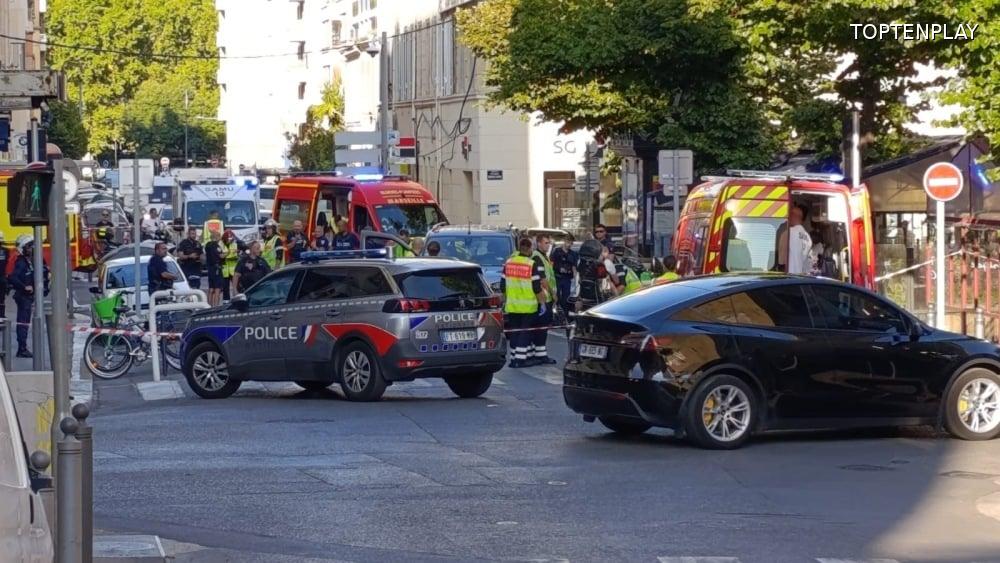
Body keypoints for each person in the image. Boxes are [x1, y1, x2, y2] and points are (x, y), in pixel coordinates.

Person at [502, 238, 543, 368]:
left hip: (512, 305)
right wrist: (542, 303)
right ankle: (520, 360)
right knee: (525, 332)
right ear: (530, 248)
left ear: (519, 248)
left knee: (515, 331)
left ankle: (514, 357)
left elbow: (503, 286)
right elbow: (537, 287)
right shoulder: (531, 264)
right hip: (528, 306)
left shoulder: (509, 263)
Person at [10, 236, 47, 358]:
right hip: (23, 297)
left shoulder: (30, 261)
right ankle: (22, 349)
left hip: (28, 297)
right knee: (23, 323)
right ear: (23, 248)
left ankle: (23, 348)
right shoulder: (21, 262)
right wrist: (24, 287)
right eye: (29, 247)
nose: (32, 249)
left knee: (25, 323)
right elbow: (13, 277)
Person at [529, 235, 558, 365]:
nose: (548, 245)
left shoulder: (544, 257)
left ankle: (538, 354)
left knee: (541, 328)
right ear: (539, 244)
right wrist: (553, 293)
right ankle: (540, 355)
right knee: (541, 329)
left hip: (545, 297)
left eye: (549, 243)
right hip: (543, 297)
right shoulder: (537, 257)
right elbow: (543, 279)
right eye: (546, 243)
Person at [777, 203, 812, 274]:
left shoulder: (788, 233)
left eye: (789, 215)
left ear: (793, 216)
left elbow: (781, 262)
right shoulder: (808, 238)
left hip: (789, 276)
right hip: (801, 277)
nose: (788, 218)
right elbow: (808, 263)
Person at [550, 236, 578, 316]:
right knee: (557, 296)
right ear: (564, 241)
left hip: (567, 279)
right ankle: (556, 312)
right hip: (557, 277)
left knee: (566, 298)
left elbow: (574, 267)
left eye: (571, 243)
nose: (569, 245)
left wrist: (575, 280)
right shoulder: (556, 251)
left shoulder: (573, 254)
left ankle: (565, 314)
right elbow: (551, 264)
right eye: (568, 242)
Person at [205, 230, 224, 307]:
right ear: (216, 237)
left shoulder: (207, 245)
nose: (220, 238)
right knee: (217, 289)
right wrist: (227, 253)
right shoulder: (216, 246)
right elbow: (220, 256)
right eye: (219, 236)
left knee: (211, 288)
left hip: (210, 269)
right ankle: (216, 307)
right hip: (216, 269)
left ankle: (209, 306)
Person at [221, 230, 240, 301]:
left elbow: (236, 255)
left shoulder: (234, 244)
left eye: (232, 237)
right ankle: (226, 301)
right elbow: (220, 256)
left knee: (236, 287)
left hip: (233, 270)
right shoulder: (221, 244)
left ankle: (237, 300)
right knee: (225, 288)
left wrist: (237, 255)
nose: (231, 239)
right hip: (225, 270)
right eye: (229, 237)